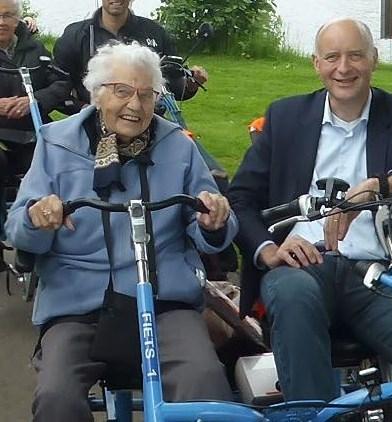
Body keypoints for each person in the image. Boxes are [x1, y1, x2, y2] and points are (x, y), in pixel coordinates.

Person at [6, 41, 236, 421]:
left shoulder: (177, 145)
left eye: (147, 95)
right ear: (97, 94)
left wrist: (214, 222)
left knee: (205, 382)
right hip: (78, 305)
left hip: (164, 302)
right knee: (56, 397)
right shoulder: (55, 142)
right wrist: (36, 218)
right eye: (123, 91)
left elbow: (212, 229)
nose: (136, 105)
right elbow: (18, 229)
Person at [228, 18, 392, 402]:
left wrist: (382, 184)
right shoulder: (285, 117)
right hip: (302, 267)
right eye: (332, 57)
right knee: (292, 300)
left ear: (374, 59)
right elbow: (240, 199)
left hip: (382, 273)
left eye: (355, 55)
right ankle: (313, 411)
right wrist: (269, 250)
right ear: (316, 64)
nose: (344, 68)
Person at [0, 0, 69, 263]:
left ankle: (34, 240)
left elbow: (61, 83)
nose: (2, 22)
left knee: (50, 164)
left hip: (30, 132)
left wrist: (35, 101)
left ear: (18, 19)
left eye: (7, 16)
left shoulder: (35, 49)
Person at [52, 0, 208, 114]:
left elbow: (171, 83)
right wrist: (85, 110)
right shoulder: (75, 35)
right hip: (92, 120)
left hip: (145, 119)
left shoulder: (155, 32)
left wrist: (190, 85)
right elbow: (56, 86)